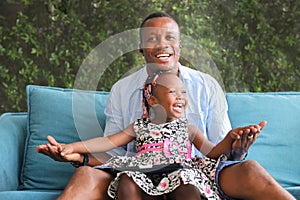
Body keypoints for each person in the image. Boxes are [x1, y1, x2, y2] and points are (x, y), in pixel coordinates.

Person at [36, 12, 295, 200]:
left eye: (170, 37)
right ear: (141, 49)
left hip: (190, 172)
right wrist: (77, 154)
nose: (162, 44)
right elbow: (112, 148)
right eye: (152, 39)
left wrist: (235, 145)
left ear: (179, 46)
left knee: (250, 169)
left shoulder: (206, 86)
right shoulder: (123, 91)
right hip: (137, 171)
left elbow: (216, 153)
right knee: (84, 175)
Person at [39, 72, 266, 200]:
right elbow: (107, 142)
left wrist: (229, 139)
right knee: (127, 182)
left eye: (183, 92)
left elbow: (212, 152)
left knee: (188, 187)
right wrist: (74, 147)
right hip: (144, 175)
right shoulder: (139, 126)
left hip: (179, 173)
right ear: (154, 101)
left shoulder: (189, 128)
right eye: (172, 92)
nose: (180, 97)